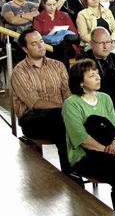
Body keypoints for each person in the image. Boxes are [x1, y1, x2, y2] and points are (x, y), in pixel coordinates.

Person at [62, 59, 115, 216]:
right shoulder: (71, 104)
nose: (98, 77)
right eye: (92, 75)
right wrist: (107, 150)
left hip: (112, 149)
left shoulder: (105, 98)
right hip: (84, 156)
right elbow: (81, 138)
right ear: (80, 83)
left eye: (97, 74)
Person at [11, 28, 71, 174]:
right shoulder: (19, 72)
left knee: (75, 121)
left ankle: (77, 170)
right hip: (32, 119)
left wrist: (70, 107)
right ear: (25, 49)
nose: (40, 46)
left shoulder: (58, 65)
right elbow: (36, 103)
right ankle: (70, 174)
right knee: (64, 122)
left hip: (60, 116)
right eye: (34, 44)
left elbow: (67, 93)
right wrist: (65, 107)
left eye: (41, 41)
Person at [33, 0, 79, 67]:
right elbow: (37, 36)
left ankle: (63, 73)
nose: (52, 7)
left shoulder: (64, 15)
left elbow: (73, 32)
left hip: (66, 45)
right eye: (49, 5)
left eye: (54, 4)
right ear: (44, 5)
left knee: (62, 49)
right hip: (48, 47)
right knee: (60, 51)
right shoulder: (38, 19)